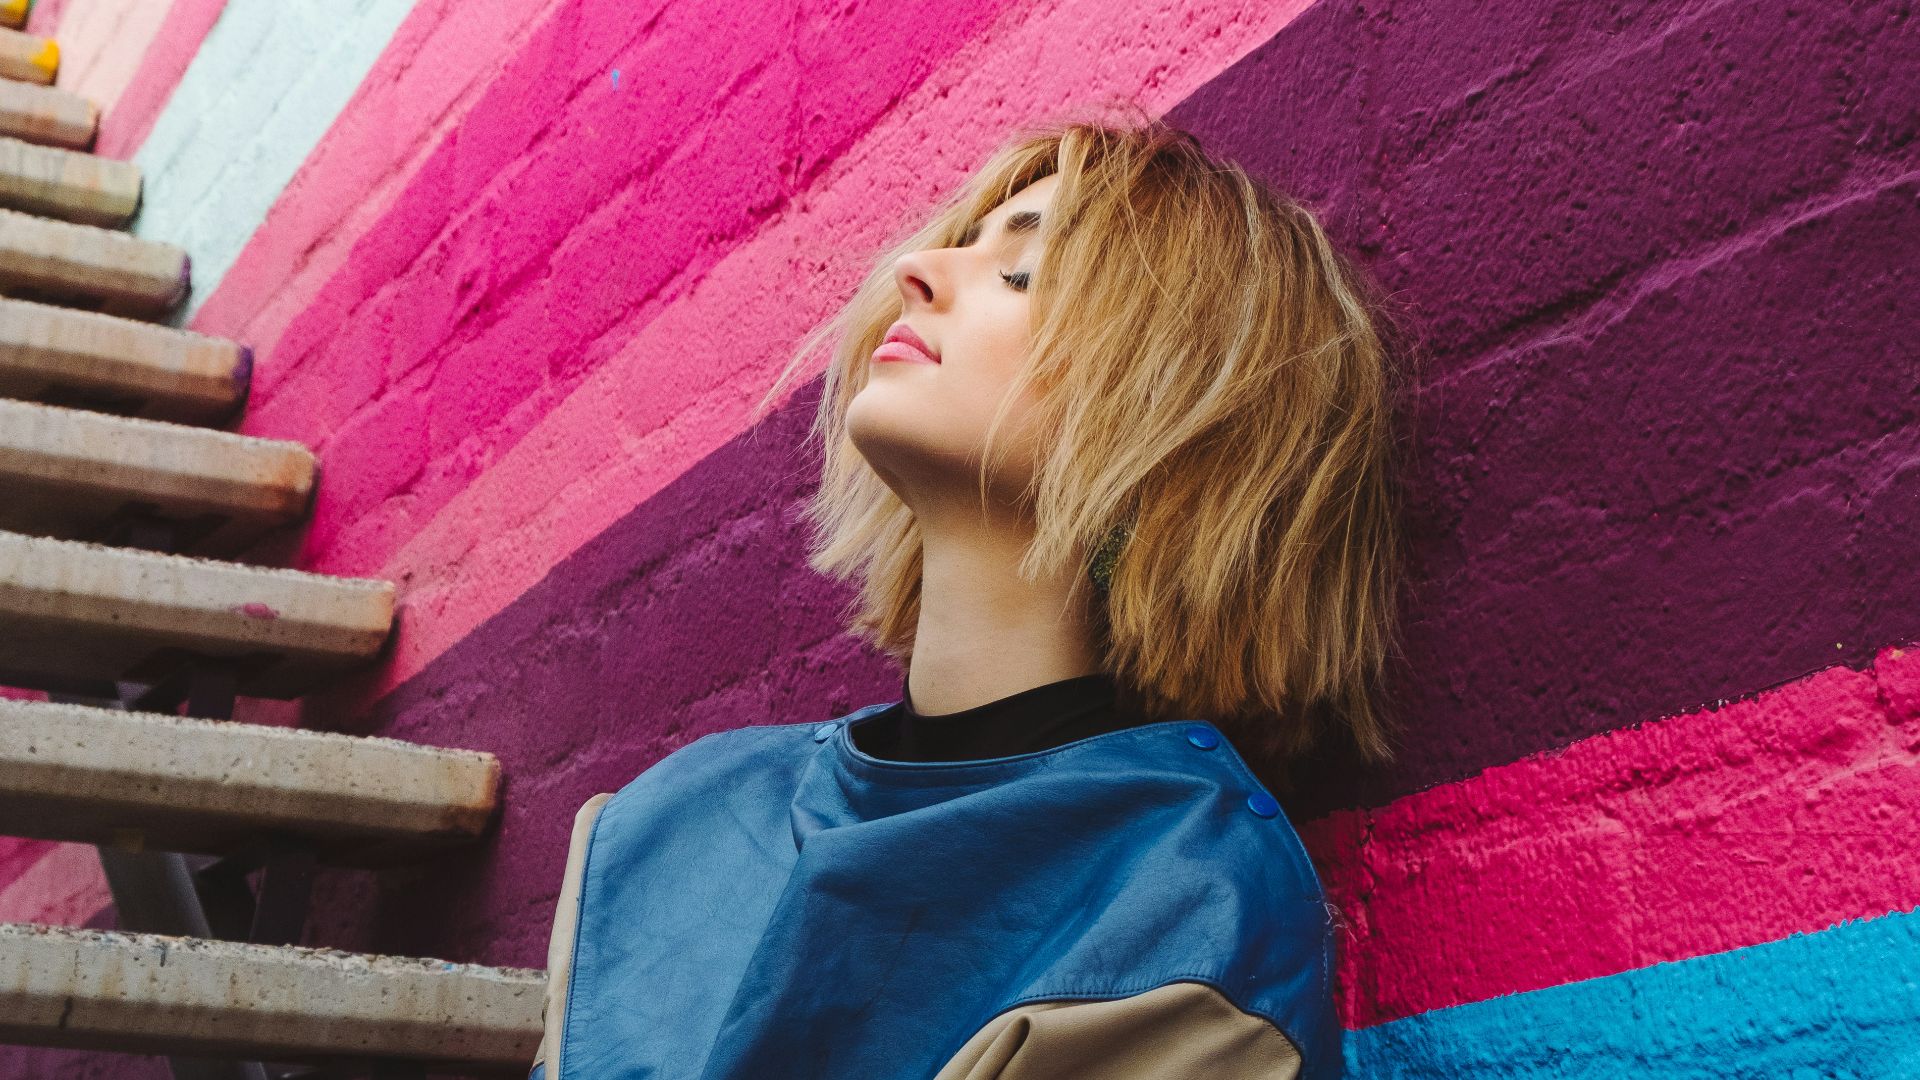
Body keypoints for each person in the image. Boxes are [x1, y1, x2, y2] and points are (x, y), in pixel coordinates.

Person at [529, 109, 1412, 1080]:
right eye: (958, 244)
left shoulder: (1183, 919)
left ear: (1173, 407)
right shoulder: (673, 818)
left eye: (1022, 272)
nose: (917, 270)